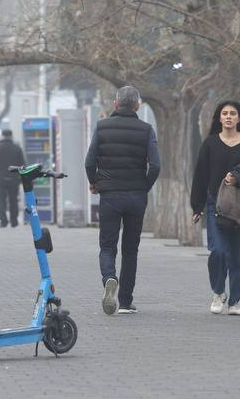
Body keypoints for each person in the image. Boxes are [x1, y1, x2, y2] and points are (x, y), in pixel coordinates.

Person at [84, 85, 161, 315]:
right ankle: (126, 301)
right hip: (136, 196)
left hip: (110, 195)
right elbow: (155, 166)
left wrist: (96, 182)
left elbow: (89, 162)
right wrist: (143, 186)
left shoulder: (102, 127)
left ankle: (109, 278)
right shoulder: (146, 130)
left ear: (116, 104)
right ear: (138, 106)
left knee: (108, 246)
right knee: (130, 249)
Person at [190, 100, 240, 316]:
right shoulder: (210, 143)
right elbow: (200, 175)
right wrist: (197, 206)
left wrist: (239, 178)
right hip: (216, 204)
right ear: (219, 118)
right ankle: (218, 292)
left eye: (233, 113)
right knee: (218, 251)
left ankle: (234, 301)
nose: (229, 117)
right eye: (225, 113)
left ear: (239, 118)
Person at [0, 128, 26, 227]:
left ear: (2, 136)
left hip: (0, 179)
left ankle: (3, 221)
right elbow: (22, 165)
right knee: (13, 200)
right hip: (14, 179)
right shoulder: (17, 148)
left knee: (1, 201)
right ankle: (14, 221)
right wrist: (20, 178)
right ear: (11, 136)